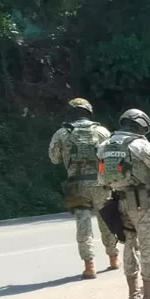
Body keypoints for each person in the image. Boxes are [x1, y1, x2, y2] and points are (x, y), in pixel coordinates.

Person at [97, 109, 150, 299]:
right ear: (141, 125)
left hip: (120, 202)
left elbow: (101, 178)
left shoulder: (105, 146)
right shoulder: (140, 144)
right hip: (144, 204)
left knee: (129, 244)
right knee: (149, 246)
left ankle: (133, 295)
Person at [48, 97, 120, 279]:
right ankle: (113, 259)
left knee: (83, 224)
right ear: (89, 112)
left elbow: (54, 158)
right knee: (107, 220)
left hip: (77, 185)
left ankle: (90, 266)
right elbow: (113, 157)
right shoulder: (102, 131)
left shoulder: (62, 133)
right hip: (100, 182)